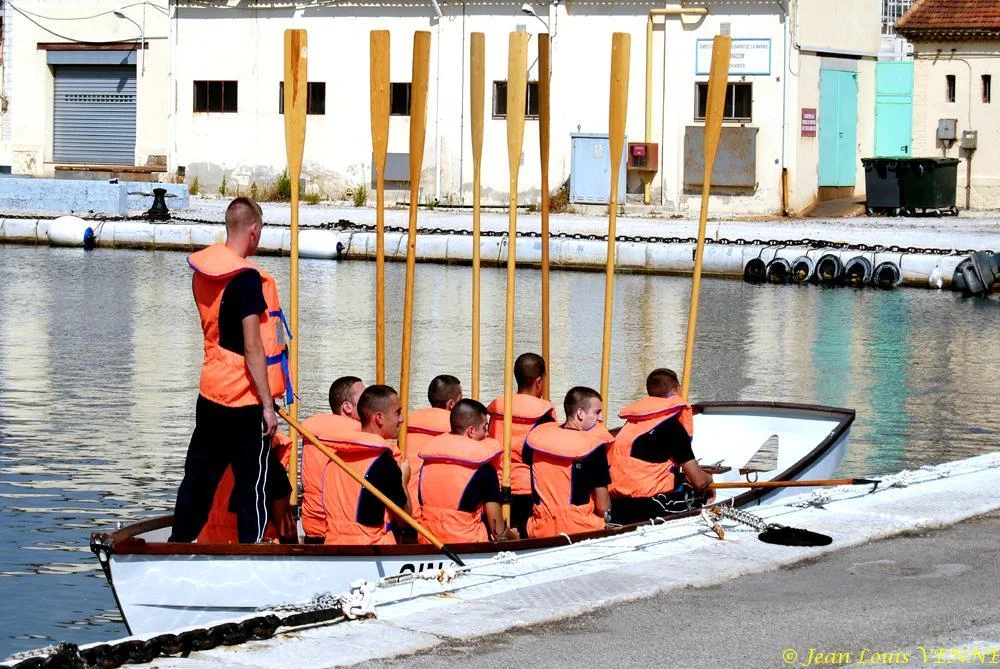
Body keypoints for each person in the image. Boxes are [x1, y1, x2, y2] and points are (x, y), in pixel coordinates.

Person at [170, 197, 293, 544]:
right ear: (254, 229)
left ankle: (178, 544)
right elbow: (253, 347)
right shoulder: (246, 279)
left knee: (199, 478)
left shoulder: (205, 272)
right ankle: (251, 550)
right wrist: (267, 406)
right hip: (244, 400)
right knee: (252, 483)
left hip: (211, 392)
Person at [608, 368, 714, 524]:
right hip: (651, 506)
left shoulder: (631, 424)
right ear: (674, 391)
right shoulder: (672, 427)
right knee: (700, 494)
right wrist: (710, 479)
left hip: (617, 503)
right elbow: (699, 481)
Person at [415, 399, 519, 543]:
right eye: (484, 427)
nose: (487, 434)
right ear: (471, 431)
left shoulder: (428, 462)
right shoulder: (484, 469)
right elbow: (498, 533)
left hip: (428, 542)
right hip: (468, 545)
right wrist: (513, 535)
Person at [321, 385, 410, 545]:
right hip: (373, 548)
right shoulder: (384, 463)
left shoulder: (335, 457)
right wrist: (403, 480)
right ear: (379, 418)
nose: (402, 419)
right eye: (398, 413)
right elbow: (405, 520)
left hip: (334, 546)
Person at [523, 386, 613, 538]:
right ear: (580, 413)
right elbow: (603, 507)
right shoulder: (594, 447)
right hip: (581, 529)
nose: (600, 418)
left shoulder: (535, 442)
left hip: (541, 529)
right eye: (597, 412)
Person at [486, 353, 557, 535]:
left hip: (495, 484)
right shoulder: (544, 412)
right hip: (528, 489)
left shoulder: (499, 408)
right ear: (539, 381)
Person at [298, 376, 365, 543]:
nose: (369, 402)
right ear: (347, 407)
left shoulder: (312, 432)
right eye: (364, 399)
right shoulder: (361, 436)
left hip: (313, 527)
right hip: (348, 531)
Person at [404, 375, 463, 506]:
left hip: (405, 500)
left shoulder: (405, 423)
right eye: (461, 400)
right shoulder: (459, 427)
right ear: (451, 404)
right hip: (438, 503)